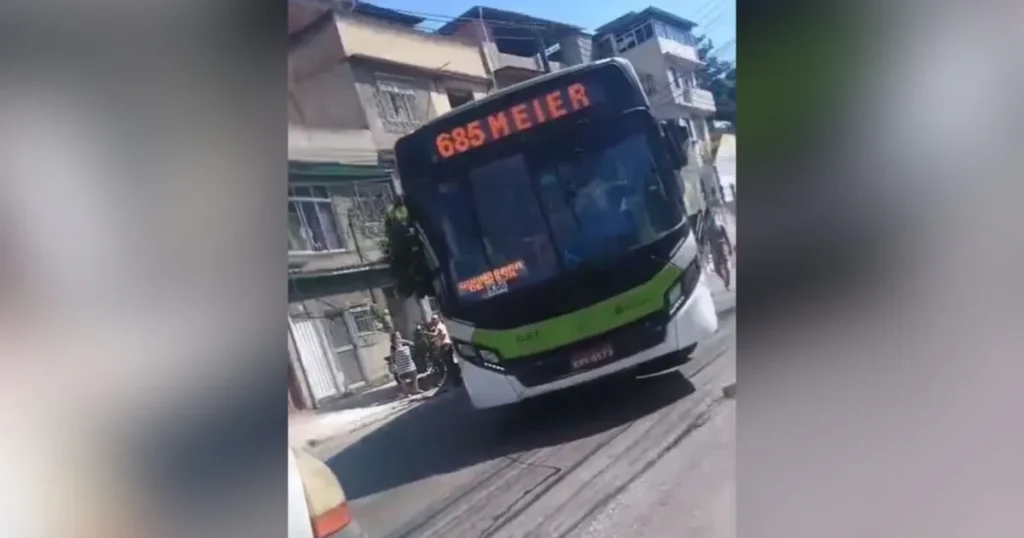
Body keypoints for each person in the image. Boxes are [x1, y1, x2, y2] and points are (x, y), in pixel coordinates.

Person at [428, 315, 462, 389]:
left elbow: (441, 334)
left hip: (446, 345)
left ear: (438, 319)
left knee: (449, 363)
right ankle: (456, 379)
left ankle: (456, 381)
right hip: (446, 345)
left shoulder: (440, 326)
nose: (433, 321)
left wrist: (428, 334)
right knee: (450, 363)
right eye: (432, 320)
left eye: (434, 319)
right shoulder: (440, 326)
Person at [705, 211, 733, 291]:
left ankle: (727, 284)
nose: (711, 218)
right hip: (714, 250)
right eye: (709, 217)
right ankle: (725, 280)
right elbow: (707, 244)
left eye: (712, 216)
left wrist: (729, 247)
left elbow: (726, 237)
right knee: (717, 269)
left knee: (725, 266)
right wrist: (708, 255)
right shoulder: (707, 230)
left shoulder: (721, 226)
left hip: (722, 247)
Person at [390, 331, 421, 396]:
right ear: (393, 338)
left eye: (399, 335)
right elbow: (392, 356)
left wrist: (403, 341)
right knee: (403, 379)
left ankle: (416, 389)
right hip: (401, 366)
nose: (398, 337)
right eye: (396, 336)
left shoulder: (404, 343)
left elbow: (412, 344)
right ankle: (407, 393)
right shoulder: (393, 347)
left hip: (409, 364)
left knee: (414, 376)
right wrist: (393, 364)